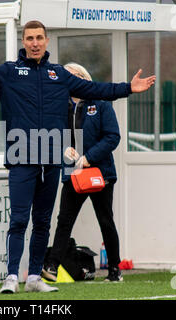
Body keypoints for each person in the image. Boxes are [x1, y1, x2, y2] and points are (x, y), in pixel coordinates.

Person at [0, 20, 155, 294]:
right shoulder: (9, 72)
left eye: (39, 38)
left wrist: (128, 88)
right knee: (19, 220)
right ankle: (11, 277)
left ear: (46, 42)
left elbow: (96, 90)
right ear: (23, 42)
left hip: (51, 159)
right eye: (30, 38)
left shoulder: (59, 74)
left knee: (43, 221)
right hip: (21, 158)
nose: (34, 43)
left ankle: (34, 277)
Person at [42, 62, 123, 282]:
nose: (70, 80)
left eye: (74, 75)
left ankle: (115, 269)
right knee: (64, 221)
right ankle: (51, 267)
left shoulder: (101, 104)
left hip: (100, 172)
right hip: (72, 174)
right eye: (66, 77)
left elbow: (112, 137)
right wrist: (62, 149)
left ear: (83, 77)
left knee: (105, 220)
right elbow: (51, 137)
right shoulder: (59, 106)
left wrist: (89, 157)